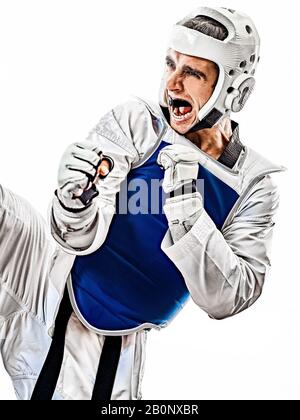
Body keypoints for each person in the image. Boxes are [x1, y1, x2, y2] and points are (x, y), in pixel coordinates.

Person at [0, 7, 285, 400]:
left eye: (193, 73)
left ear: (235, 89)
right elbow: (76, 237)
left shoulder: (254, 187)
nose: (173, 83)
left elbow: (229, 297)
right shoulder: (140, 121)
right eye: (171, 64)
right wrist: (75, 199)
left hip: (106, 342)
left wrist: (187, 211)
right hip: (43, 276)